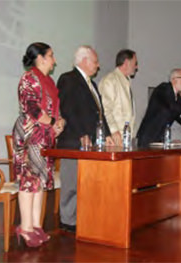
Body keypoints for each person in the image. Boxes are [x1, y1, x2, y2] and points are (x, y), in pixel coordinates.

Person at [12, 42, 65, 247]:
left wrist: (58, 124)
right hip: (29, 135)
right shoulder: (28, 79)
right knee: (29, 180)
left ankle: (35, 226)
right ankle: (24, 228)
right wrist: (53, 122)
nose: (54, 60)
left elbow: (54, 109)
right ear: (40, 58)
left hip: (45, 135)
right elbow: (32, 109)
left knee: (40, 181)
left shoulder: (49, 81)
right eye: (51, 56)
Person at [57, 46, 113, 232]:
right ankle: (67, 220)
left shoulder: (92, 84)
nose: (98, 65)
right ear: (84, 60)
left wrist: (107, 135)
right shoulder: (68, 79)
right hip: (74, 141)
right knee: (71, 183)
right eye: (95, 61)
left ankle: (84, 217)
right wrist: (81, 134)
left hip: (91, 143)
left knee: (87, 182)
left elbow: (99, 114)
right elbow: (68, 110)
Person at [137, 68, 181, 147]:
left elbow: (178, 115)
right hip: (148, 136)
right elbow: (172, 105)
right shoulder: (164, 88)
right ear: (174, 80)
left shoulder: (178, 98)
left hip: (160, 138)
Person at [98, 49, 138, 145]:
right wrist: (114, 131)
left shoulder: (126, 82)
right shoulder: (110, 80)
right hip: (114, 139)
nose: (136, 67)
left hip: (125, 138)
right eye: (135, 63)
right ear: (126, 62)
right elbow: (105, 109)